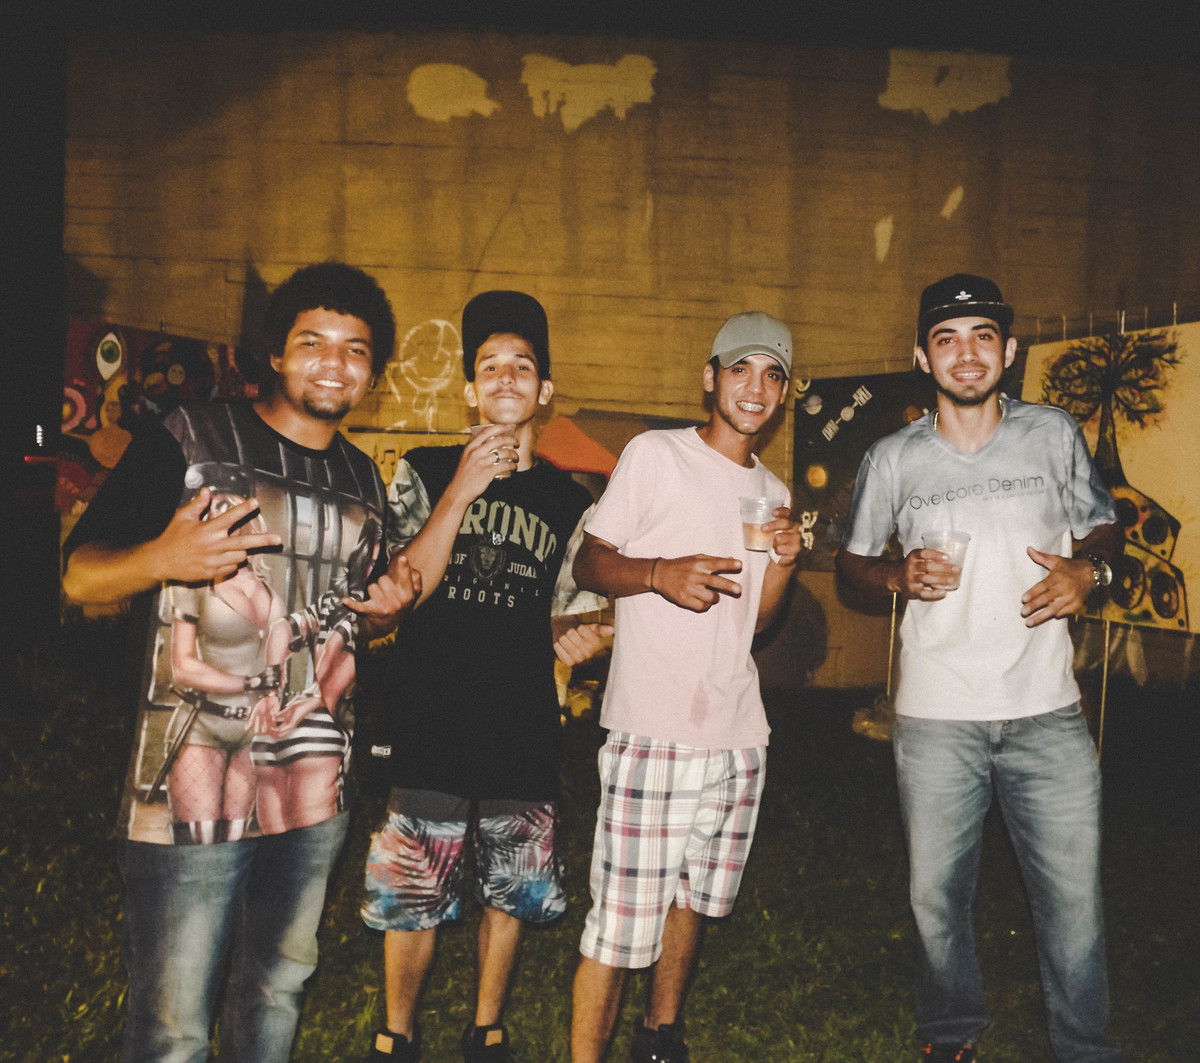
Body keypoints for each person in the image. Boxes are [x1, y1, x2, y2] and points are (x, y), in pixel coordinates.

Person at [61, 262, 422, 1063]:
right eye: (312, 342)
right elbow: (79, 572)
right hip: (191, 789)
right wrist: (162, 556)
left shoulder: (364, 479)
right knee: (175, 1027)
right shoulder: (189, 437)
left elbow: (348, 624)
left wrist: (387, 616)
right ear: (275, 353)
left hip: (314, 792)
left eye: (355, 349)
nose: (333, 364)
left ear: (373, 373)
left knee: (276, 989)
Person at [836, 274, 1128, 1063]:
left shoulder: (1052, 434)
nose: (966, 354)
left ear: (1010, 350)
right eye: (947, 338)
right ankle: (951, 1030)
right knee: (936, 896)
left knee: (1074, 898)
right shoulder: (894, 457)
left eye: (983, 336)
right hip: (936, 714)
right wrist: (897, 574)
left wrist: (1088, 572)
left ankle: (1085, 1047)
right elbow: (853, 563)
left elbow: (1104, 529)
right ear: (921, 357)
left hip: (1047, 709)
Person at [360, 290, 611, 1063]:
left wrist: (586, 635)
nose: (506, 377)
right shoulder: (424, 469)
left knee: (512, 888)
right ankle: (398, 1031)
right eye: (490, 365)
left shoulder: (569, 500)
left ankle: (487, 1025)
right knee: (413, 890)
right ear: (470, 389)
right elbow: (400, 588)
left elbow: (573, 610)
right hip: (428, 717)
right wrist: (462, 488)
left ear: (545, 389)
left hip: (521, 722)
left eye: (522, 365)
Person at [569, 311, 801, 1063]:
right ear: (711, 378)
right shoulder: (656, 455)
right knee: (619, 925)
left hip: (738, 735)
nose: (756, 387)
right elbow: (589, 562)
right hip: (655, 730)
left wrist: (786, 561)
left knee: (694, 897)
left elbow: (756, 622)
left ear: (784, 393)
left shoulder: (773, 490)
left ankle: (659, 1035)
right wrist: (657, 573)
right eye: (741, 369)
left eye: (773, 375)